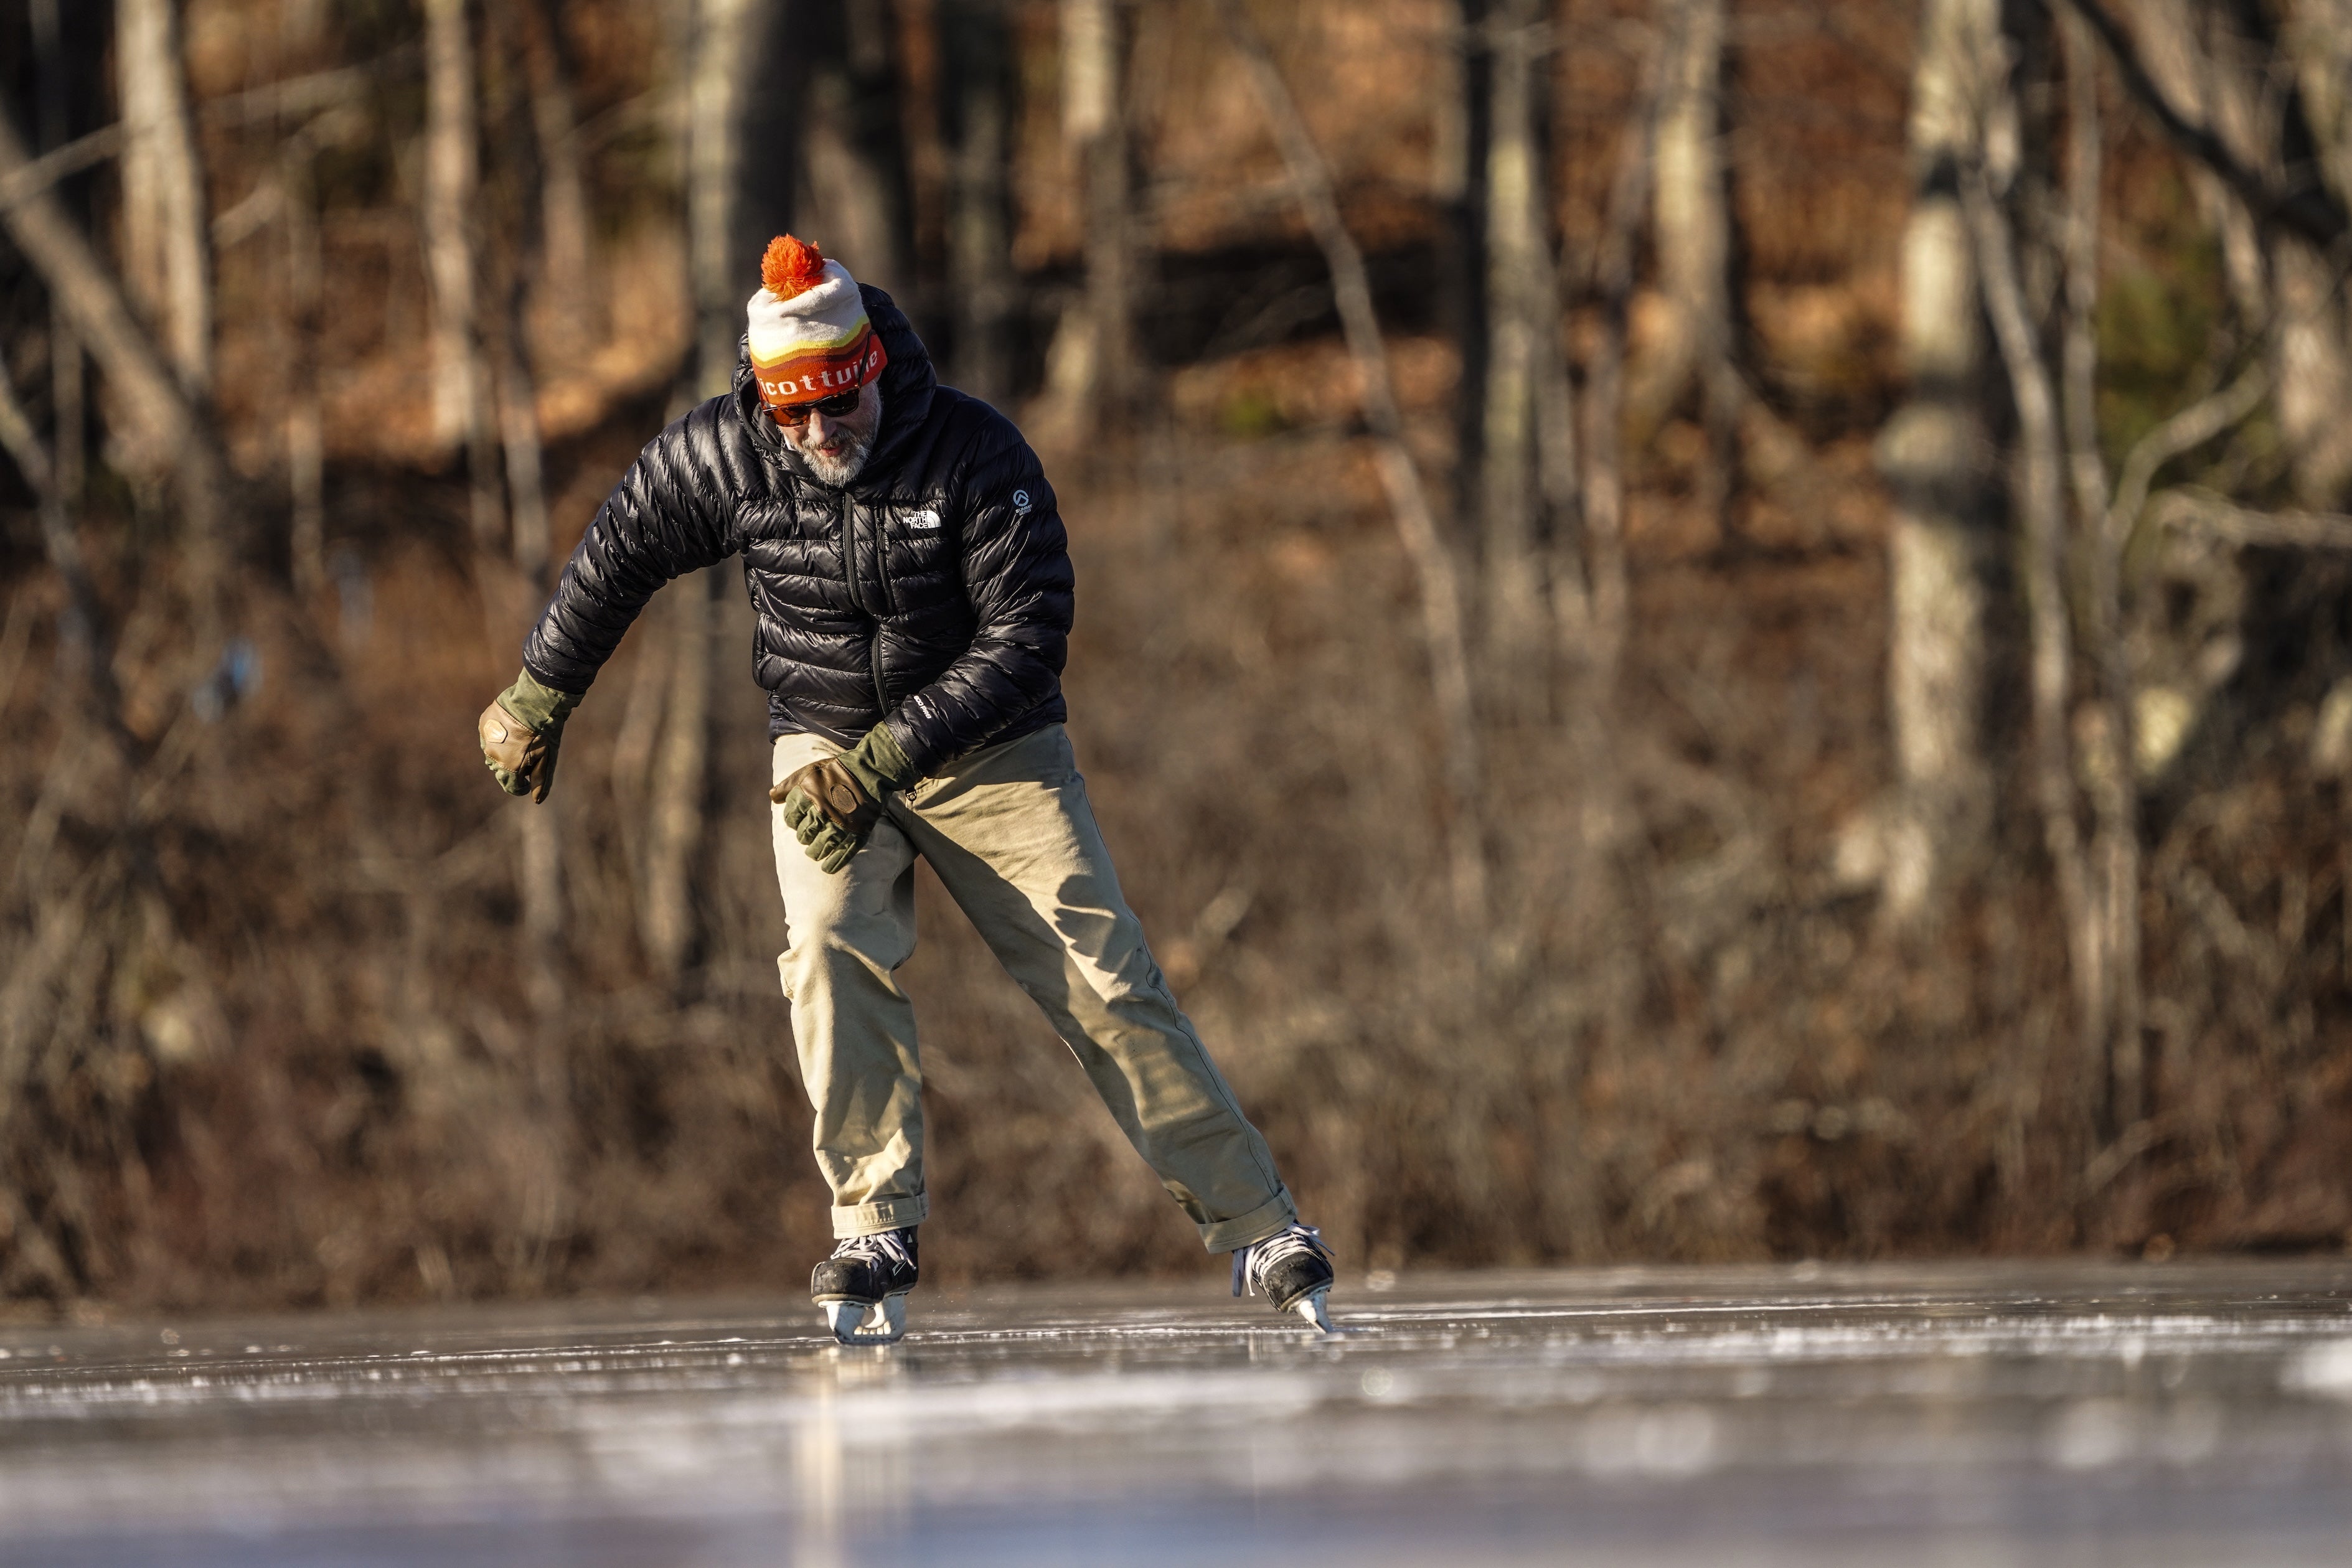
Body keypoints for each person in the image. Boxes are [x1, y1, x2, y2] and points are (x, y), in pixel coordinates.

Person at [476, 236, 1334, 1343]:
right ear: (762, 402)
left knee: (1101, 973)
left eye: (839, 406)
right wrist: (540, 694)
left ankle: (1257, 1223)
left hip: (990, 749)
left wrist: (883, 763)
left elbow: (1031, 636)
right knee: (827, 943)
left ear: (874, 367)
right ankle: (872, 1220)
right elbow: (619, 549)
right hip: (818, 740)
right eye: (794, 417)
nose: (821, 435)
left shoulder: (976, 453)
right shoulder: (727, 455)